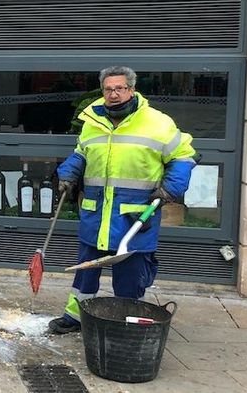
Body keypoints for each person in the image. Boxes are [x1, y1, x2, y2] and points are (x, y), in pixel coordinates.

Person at [47, 66, 196, 334]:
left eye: (119, 88)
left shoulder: (158, 123)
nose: (113, 94)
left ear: (132, 89)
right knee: (85, 272)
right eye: (108, 89)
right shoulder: (93, 121)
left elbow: (183, 157)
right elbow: (82, 153)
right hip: (96, 214)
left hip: (135, 216)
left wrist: (171, 189)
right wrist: (68, 172)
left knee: (130, 276)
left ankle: (127, 321)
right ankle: (76, 316)